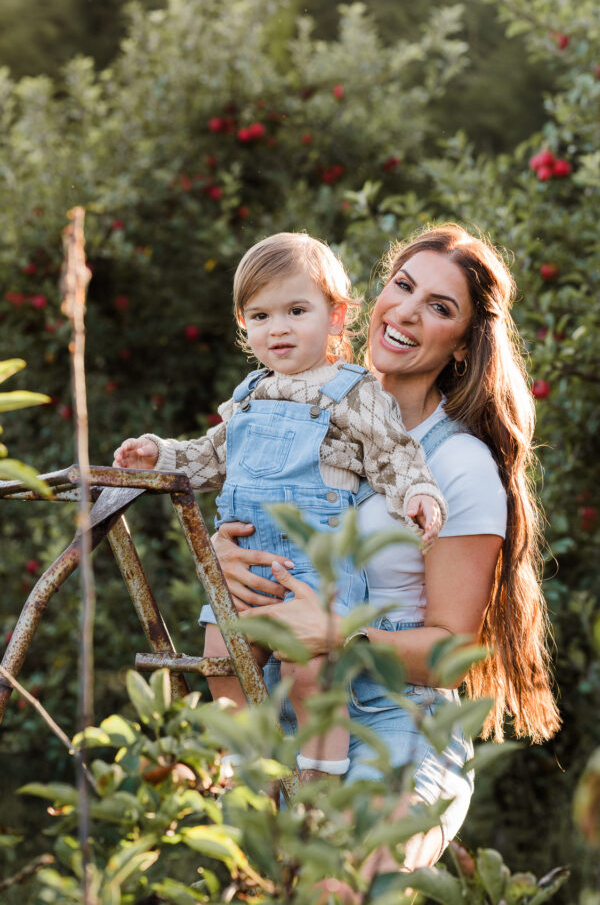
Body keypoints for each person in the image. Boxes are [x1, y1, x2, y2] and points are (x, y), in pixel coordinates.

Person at [210, 223, 561, 871]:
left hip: (397, 730)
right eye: (402, 286)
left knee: (341, 875)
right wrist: (225, 558)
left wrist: (337, 635)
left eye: (439, 306)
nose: (406, 310)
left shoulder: (456, 464)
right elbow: (244, 505)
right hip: (281, 710)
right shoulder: (301, 410)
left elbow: (452, 654)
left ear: (460, 346)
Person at [113, 232, 446, 784]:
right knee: (222, 656)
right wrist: (159, 454)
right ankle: (244, 773)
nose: (280, 328)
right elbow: (208, 458)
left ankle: (320, 782)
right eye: (261, 316)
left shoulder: (354, 392)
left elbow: (395, 454)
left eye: (297, 310)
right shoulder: (248, 396)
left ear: (337, 317)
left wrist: (418, 494)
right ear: (245, 326)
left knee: (309, 672)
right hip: (248, 560)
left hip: (315, 568)